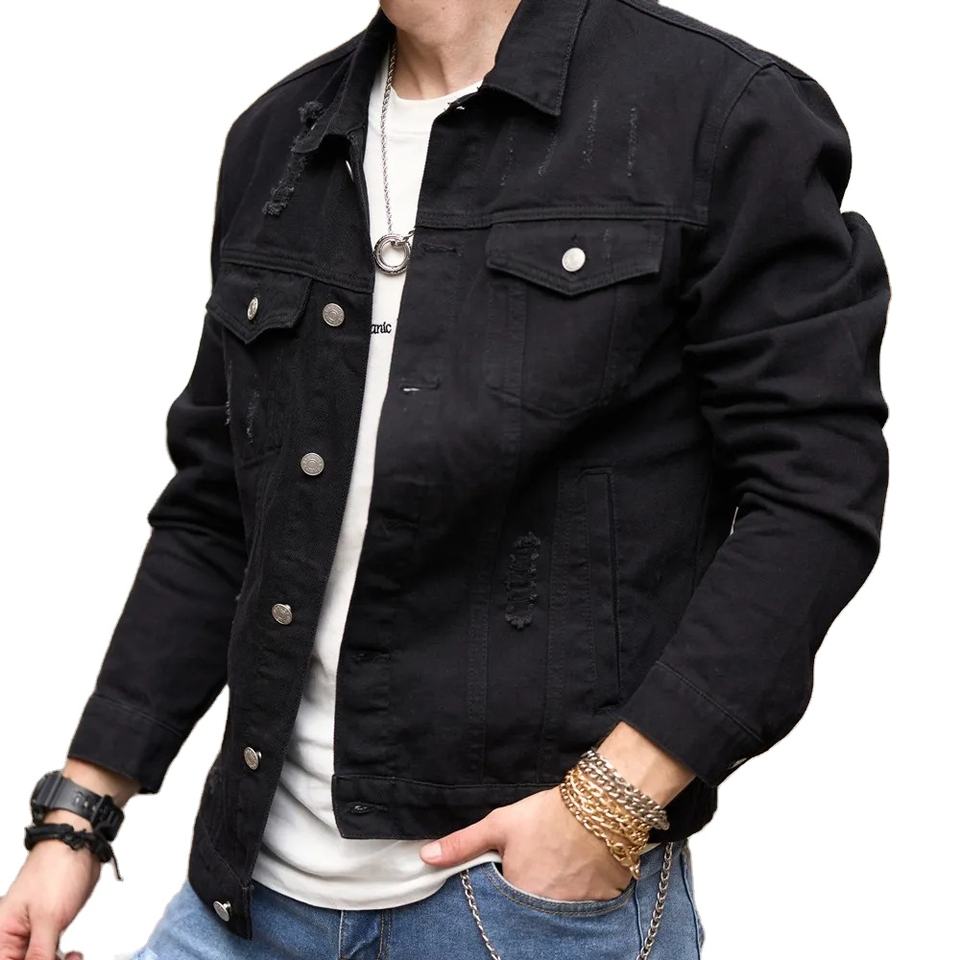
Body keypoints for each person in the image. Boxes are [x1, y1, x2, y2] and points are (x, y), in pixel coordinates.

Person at [0, 0, 890, 957]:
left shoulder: (721, 113)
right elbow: (221, 508)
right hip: (249, 898)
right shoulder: (280, 137)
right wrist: (79, 813)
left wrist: (608, 807)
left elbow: (814, 493)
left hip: (521, 912)